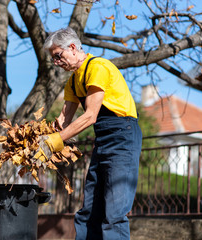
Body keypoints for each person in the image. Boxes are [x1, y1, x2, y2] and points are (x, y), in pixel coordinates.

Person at [36, 27, 142, 240]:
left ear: (73, 48)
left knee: (114, 214)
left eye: (58, 56)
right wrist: (38, 137)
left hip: (123, 136)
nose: (56, 62)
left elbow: (90, 116)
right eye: (54, 59)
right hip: (103, 140)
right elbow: (63, 121)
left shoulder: (98, 67)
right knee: (88, 213)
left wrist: (54, 141)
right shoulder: (73, 82)